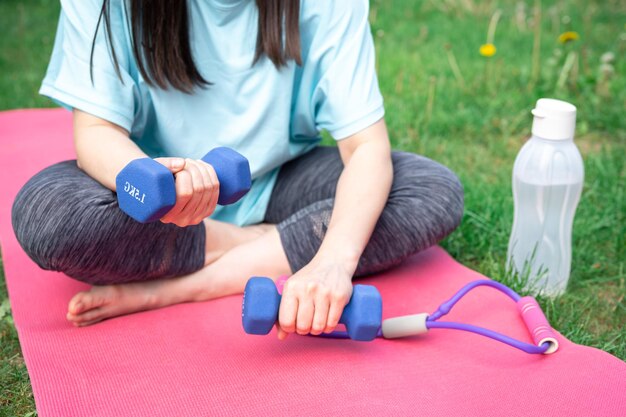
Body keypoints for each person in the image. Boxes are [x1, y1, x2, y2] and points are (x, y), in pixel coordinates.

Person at [12, 0, 463, 340]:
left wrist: (332, 264)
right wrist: (151, 176)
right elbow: (95, 130)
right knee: (50, 217)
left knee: (428, 190)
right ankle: (260, 241)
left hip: (282, 181)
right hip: (158, 205)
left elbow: (366, 148)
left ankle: (185, 285)